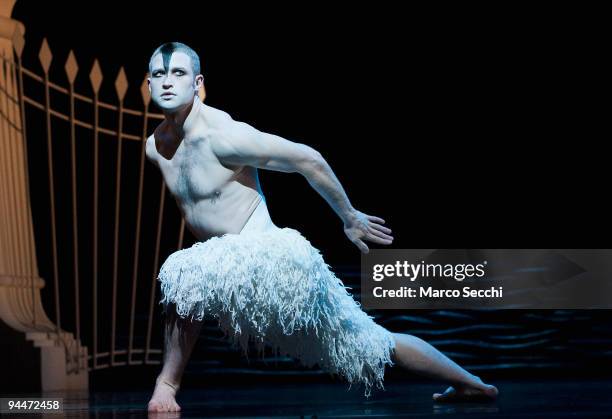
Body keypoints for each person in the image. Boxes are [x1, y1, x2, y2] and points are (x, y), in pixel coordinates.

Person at [144, 42, 498, 413]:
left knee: (184, 273)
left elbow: (307, 158)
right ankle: (472, 385)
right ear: (149, 84)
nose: (168, 82)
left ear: (198, 83)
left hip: (273, 261)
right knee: (373, 344)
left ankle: (166, 385)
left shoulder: (223, 134)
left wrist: (350, 217)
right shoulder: (156, 146)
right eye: (160, 74)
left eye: (179, 73)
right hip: (235, 276)